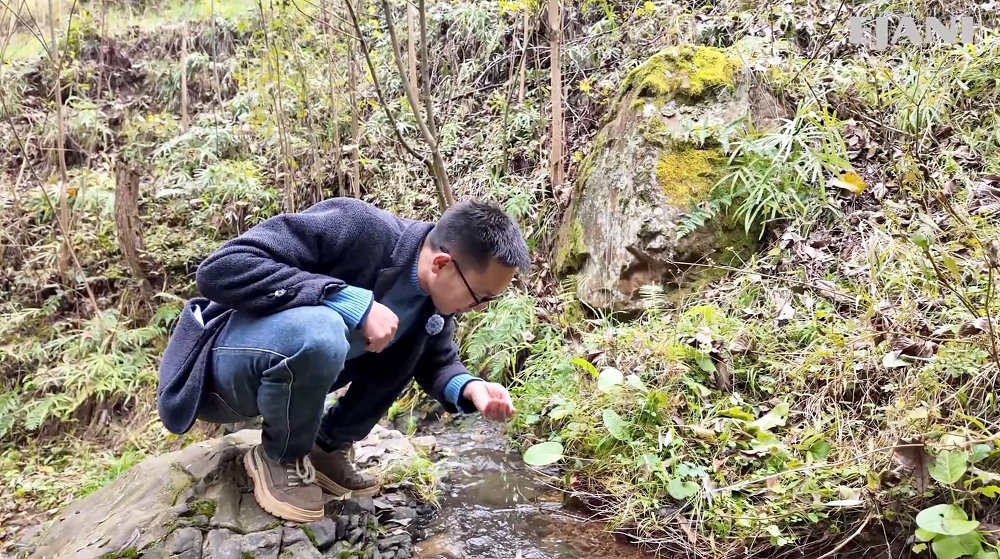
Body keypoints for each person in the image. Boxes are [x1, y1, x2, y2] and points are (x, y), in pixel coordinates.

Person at [155, 197, 529, 523]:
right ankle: (281, 456)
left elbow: (437, 362)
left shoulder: (434, 303)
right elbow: (222, 267)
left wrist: (472, 388)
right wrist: (347, 300)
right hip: (221, 372)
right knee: (324, 328)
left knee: (404, 346)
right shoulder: (359, 228)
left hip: (280, 380)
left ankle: (325, 447)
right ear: (442, 264)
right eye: (480, 296)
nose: (479, 308)